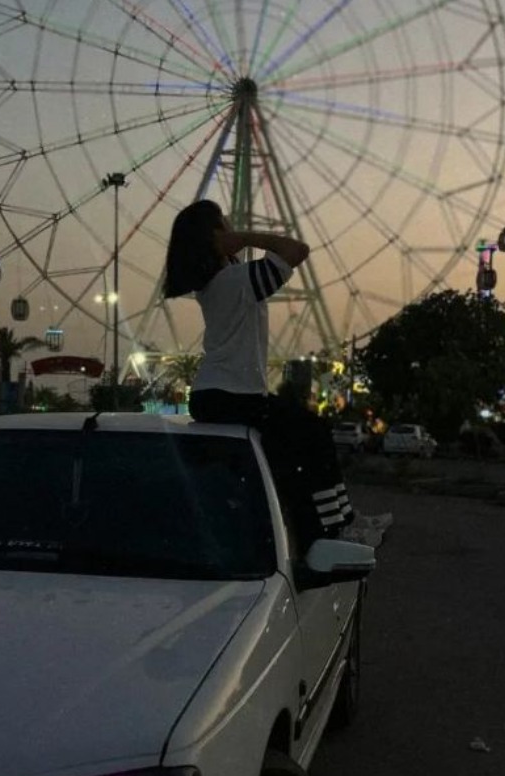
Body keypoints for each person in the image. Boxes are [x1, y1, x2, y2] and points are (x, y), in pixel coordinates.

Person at [163, 199, 384, 551]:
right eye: (227, 225)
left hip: (222, 392)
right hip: (232, 394)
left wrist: (229, 242)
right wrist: (245, 238)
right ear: (216, 237)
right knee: (311, 437)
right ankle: (334, 529)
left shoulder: (222, 282)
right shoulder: (236, 281)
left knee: (298, 449)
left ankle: (339, 523)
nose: (234, 229)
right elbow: (296, 250)